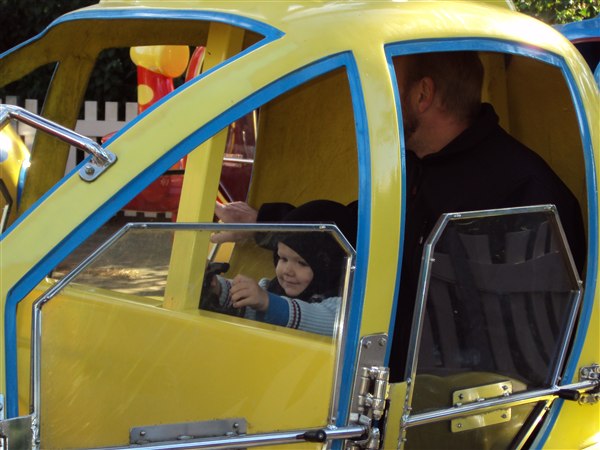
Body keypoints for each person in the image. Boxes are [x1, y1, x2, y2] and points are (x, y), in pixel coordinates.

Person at [389, 51, 586, 381]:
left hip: (461, 397)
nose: (379, 99)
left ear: (423, 94)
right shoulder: (413, 164)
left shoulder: (525, 191)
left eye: (388, 84)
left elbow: (528, 343)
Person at [204, 200, 356, 336]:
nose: (287, 271)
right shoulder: (275, 288)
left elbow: (330, 322)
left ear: (328, 267)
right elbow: (253, 307)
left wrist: (268, 302)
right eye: (283, 259)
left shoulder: (345, 303)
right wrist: (218, 287)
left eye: (302, 263)